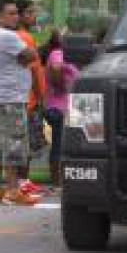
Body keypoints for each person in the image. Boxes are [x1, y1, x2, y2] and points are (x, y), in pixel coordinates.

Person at [0, 0, 38, 206]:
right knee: (13, 145)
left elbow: (25, 57)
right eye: (11, 13)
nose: (16, 17)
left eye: (17, 13)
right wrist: (24, 56)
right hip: (10, 100)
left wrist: (23, 57)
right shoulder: (7, 36)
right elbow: (31, 54)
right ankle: (13, 192)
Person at [15, 0, 47, 198]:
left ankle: (20, 181)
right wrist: (41, 94)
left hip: (19, 96)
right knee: (25, 142)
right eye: (29, 12)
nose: (33, 16)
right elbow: (35, 69)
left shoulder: (12, 37)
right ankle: (23, 182)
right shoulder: (25, 37)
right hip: (28, 98)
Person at [42, 29, 80, 188]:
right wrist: (61, 86)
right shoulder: (58, 53)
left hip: (67, 107)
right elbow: (56, 69)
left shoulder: (66, 54)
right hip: (59, 107)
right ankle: (57, 182)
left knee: (64, 144)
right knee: (59, 145)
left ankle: (63, 180)